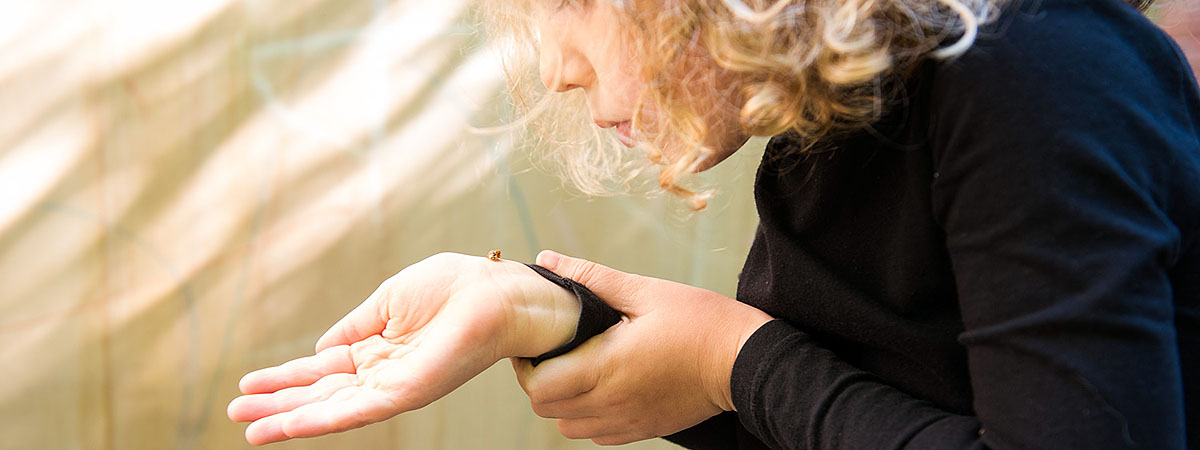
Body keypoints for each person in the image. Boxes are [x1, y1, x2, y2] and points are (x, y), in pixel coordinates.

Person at [227, 0, 1200, 448]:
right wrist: (548, 316)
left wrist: (730, 359)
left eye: (566, 6)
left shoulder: (1030, 77)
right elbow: (833, 419)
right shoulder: (831, 121)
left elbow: (775, 381)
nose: (558, 68)